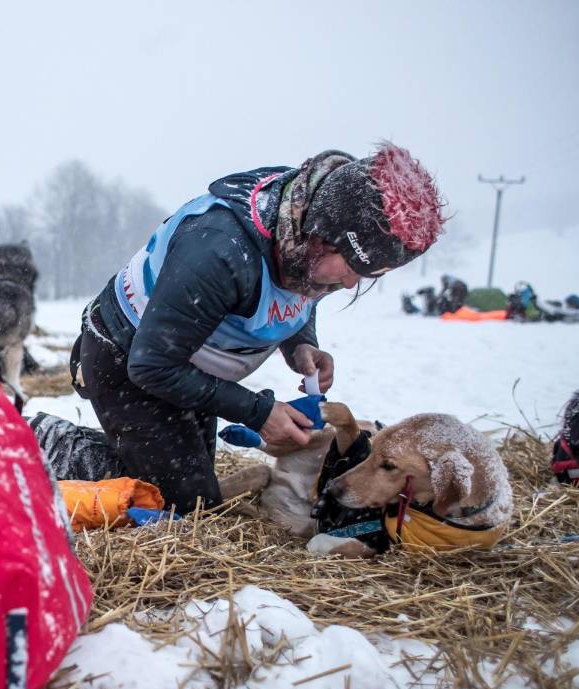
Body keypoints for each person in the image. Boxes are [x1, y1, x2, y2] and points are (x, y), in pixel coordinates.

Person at [70, 143, 444, 512]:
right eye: (352, 268)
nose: (349, 284)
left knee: (195, 486)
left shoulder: (307, 236)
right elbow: (151, 365)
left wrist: (301, 342)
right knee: (184, 506)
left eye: (366, 277)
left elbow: (298, 296)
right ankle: (51, 451)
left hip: (188, 360)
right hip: (128, 357)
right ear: (322, 235)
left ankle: (131, 448)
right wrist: (258, 412)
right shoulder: (219, 252)